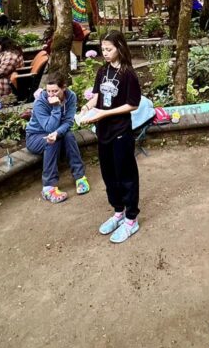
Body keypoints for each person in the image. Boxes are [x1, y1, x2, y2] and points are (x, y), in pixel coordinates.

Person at [82, 30, 142, 244]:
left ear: (120, 48)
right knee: (108, 174)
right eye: (103, 49)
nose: (105, 53)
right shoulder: (102, 71)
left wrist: (104, 113)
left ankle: (131, 218)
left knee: (126, 174)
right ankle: (118, 211)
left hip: (121, 132)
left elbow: (133, 104)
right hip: (103, 131)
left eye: (109, 49)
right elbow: (97, 96)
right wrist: (86, 108)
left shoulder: (128, 74)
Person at [25, 74, 89, 203]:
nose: (51, 95)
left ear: (63, 88)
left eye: (55, 91)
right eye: (49, 91)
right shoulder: (40, 103)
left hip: (57, 132)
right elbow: (49, 128)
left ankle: (80, 177)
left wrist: (58, 133)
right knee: (52, 141)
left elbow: (69, 122)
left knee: (69, 136)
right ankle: (48, 187)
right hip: (35, 137)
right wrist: (56, 107)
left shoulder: (71, 97)